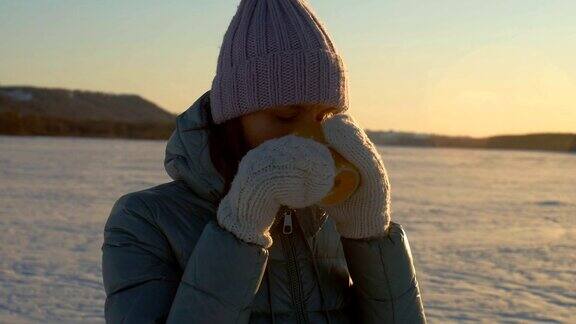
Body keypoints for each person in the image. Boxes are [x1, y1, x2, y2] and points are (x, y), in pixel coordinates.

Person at [101, 0, 426, 323]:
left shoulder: (331, 214)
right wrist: (238, 231)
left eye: (324, 117)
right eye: (286, 115)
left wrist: (369, 237)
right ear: (233, 119)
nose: (310, 137)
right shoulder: (145, 221)